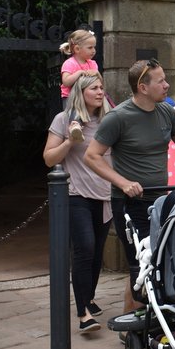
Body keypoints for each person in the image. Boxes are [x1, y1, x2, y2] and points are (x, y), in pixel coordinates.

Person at [84, 59, 175, 313]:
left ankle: (137, 320)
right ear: (143, 87)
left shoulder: (167, 113)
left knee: (158, 262)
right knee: (141, 263)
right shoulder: (118, 117)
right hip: (130, 203)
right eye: (161, 81)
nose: (166, 85)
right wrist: (123, 183)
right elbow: (91, 156)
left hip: (161, 200)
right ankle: (136, 323)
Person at [42, 73, 113, 333]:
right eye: (94, 87)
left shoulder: (109, 121)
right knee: (85, 247)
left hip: (105, 195)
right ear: (81, 92)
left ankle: (89, 296)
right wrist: (70, 141)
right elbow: (49, 159)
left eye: (102, 87)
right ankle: (83, 313)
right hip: (76, 194)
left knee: (96, 253)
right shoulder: (64, 120)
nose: (100, 92)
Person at [59, 29, 100, 117]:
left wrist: (96, 73)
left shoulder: (92, 64)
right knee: (73, 117)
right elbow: (66, 82)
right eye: (90, 47)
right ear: (77, 49)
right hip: (71, 98)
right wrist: (79, 73)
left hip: (87, 98)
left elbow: (99, 81)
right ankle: (74, 129)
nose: (93, 50)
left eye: (94, 47)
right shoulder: (69, 63)